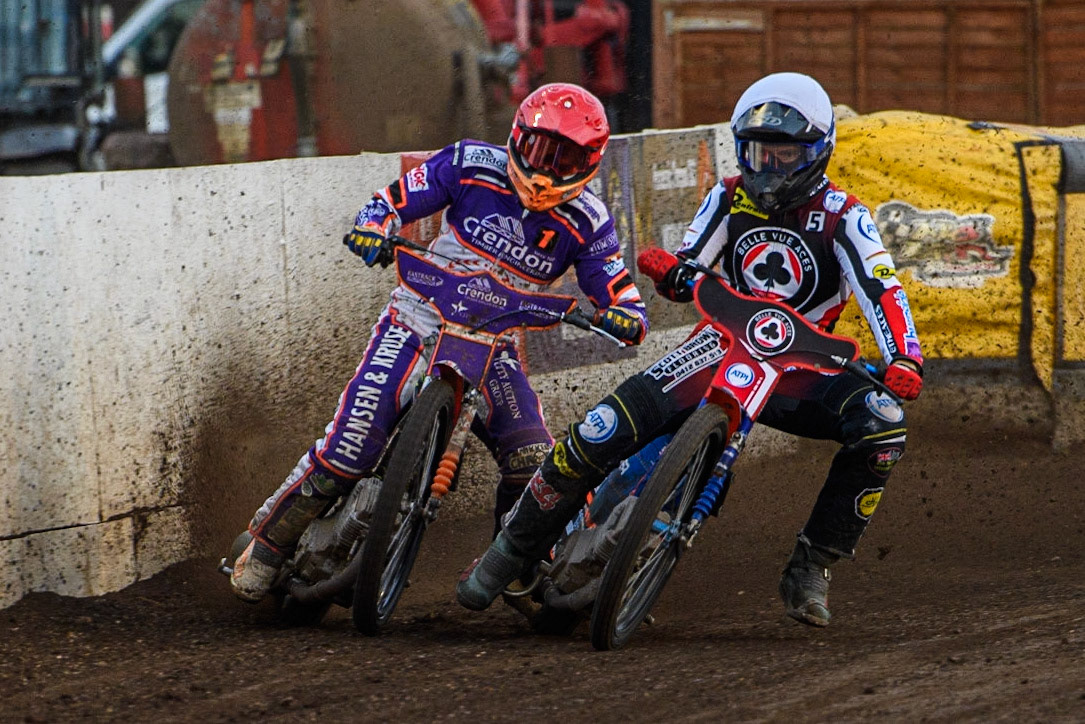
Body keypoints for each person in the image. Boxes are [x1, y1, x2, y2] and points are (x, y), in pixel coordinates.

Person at [457, 72, 924, 627]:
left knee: (883, 422)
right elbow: (692, 257)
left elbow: (881, 289)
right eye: (756, 153)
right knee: (598, 429)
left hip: (802, 368)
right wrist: (676, 273)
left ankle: (813, 563)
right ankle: (511, 548)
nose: (766, 168)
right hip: (718, 348)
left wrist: (904, 357)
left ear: (817, 152)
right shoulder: (727, 197)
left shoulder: (847, 216)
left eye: (782, 156)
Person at [230, 82, 648, 603]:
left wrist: (625, 313)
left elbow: (616, 286)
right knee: (351, 445)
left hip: (496, 343)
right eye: (541, 150)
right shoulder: (469, 161)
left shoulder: (589, 221)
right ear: (518, 136)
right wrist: (373, 227)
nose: (546, 168)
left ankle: (522, 564)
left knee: (534, 458)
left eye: (565, 158)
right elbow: (390, 203)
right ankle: (268, 544)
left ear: (589, 162)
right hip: (419, 317)